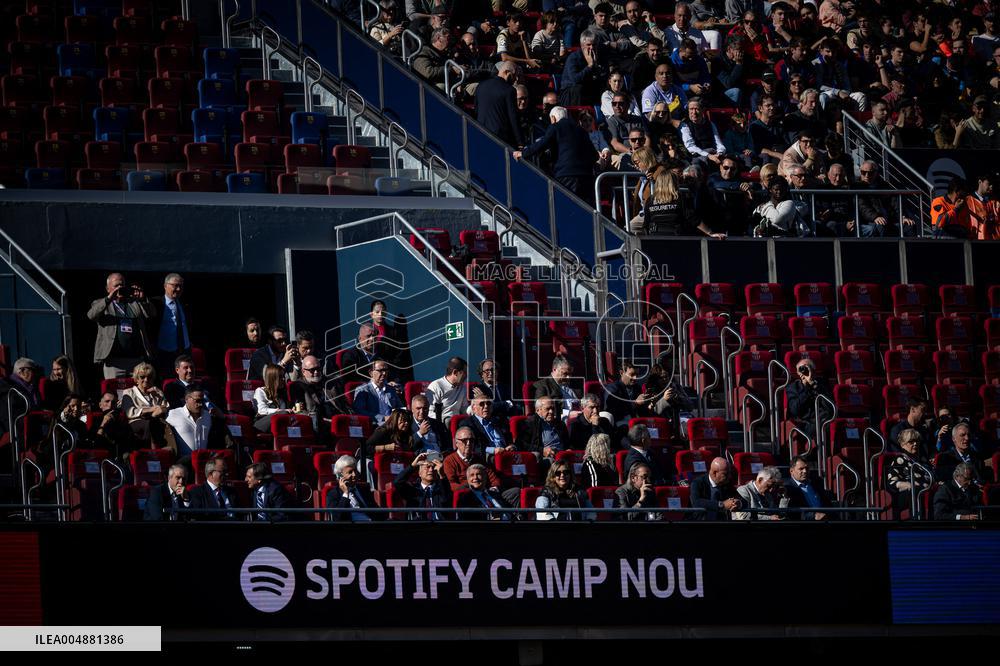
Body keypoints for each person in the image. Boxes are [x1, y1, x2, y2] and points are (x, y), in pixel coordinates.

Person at [513, 106, 599, 204]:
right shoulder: (581, 130)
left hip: (566, 175)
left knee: (566, 205)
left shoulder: (555, 127)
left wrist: (524, 153)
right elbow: (594, 155)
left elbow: (543, 143)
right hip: (586, 176)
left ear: (553, 118)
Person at [87, 272, 155, 379]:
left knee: (137, 392)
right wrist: (109, 298)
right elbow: (91, 315)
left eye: (122, 285)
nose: (120, 288)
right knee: (114, 392)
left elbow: (151, 314)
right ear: (108, 288)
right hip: (114, 362)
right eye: (116, 286)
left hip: (136, 360)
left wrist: (142, 299)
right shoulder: (101, 303)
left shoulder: (134, 303)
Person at [166, 384, 230, 459]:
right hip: (183, 462)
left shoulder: (207, 416)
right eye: (197, 400)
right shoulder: (173, 414)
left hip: (203, 462)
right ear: (186, 399)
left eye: (202, 401)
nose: (200, 404)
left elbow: (222, 419)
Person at [289, 354, 339, 440]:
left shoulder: (330, 383)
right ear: (303, 371)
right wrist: (319, 419)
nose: (316, 372)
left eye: (318, 369)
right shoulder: (298, 386)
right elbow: (299, 411)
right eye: (312, 370)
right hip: (318, 423)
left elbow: (342, 404)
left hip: (336, 419)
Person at [476, 61, 525, 147]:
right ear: (506, 72)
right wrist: (520, 142)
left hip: (480, 133)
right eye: (514, 75)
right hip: (499, 139)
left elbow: (476, 109)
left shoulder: (481, 85)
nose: (516, 79)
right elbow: (513, 118)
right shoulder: (510, 90)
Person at [785, 356, 834, 443]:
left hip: (825, 420)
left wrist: (814, 385)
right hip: (807, 424)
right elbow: (794, 410)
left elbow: (831, 407)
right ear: (797, 373)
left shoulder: (822, 384)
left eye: (807, 368)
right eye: (801, 369)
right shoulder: (793, 388)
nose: (804, 372)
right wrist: (806, 388)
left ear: (813, 370)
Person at [392, 451, 453, 520]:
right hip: (419, 526)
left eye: (433, 467)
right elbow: (397, 482)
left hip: (439, 526)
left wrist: (442, 475)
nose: (431, 470)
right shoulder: (413, 490)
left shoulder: (441, 488)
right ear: (419, 473)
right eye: (427, 467)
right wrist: (413, 466)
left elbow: (446, 499)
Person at [120, 362, 168, 445]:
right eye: (142, 377)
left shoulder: (156, 393)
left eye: (149, 377)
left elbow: (166, 408)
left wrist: (161, 395)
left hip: (156, 421)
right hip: (136, 422)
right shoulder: (128, 392)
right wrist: (151, 409)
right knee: (152, 424)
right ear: (136, 379)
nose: (146, 380)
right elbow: (129, 412)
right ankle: (152, 451)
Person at [151, 273, 191, 374]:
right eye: (175, 286)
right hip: (165, 352)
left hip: (185, 351)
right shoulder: (156, 303)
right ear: (165, 286)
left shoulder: (185, 303)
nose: (178, 289)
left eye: (180, 286)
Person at [886, 427, 932, 513]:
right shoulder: (899, 460)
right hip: (907, 495)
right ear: (902, 444)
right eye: (911, 442)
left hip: (924, 492)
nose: (915, 444)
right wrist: (910, 485)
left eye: (917, 441)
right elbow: (892, 483)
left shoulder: (921, 460)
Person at [558, 29, 610, 106]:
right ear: (582, 45)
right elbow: (575, 79)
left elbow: (603, 77)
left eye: (594, 45)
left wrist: (595, 66)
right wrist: (589, 66)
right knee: (579, 88)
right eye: (588, 45)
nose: (592, 48)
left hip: (588, 89)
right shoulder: (574, 58)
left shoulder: (599, 57)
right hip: (570, 92)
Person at [325, 454, 382, 522]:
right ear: (340, 476)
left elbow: (377, 512)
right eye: (350, 472)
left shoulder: (363, 490)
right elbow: (337, 518)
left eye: (355, 470)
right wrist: (346, 494)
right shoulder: (333, 494)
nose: (354, 475)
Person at [514, 397, 570, 464]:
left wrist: (569, 450)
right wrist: (542, 450)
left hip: (562, 456)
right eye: (548, 409)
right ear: (538, 410)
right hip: (545, 458)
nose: (551, 412)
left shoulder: (560, 424)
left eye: (552, 408)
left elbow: (568, 444)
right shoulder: (529, 423)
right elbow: (521, 445)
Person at [352, 359, 404, 424]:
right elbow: (360, 411)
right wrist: (383, 418)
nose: (384, 373)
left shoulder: (391, 389)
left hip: (393, 424)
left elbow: (400, 407)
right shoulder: (363, 390)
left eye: (386, 370)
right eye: (380, 371)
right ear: (371, 373)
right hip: (374, 425)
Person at [784, 455, 834, 521]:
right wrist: (813, 516)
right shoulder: (787, 488)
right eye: (801, 469)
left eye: (807, 468)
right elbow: (792, 513)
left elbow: (827, 504)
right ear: (791, 471)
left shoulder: (816, 482)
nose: (805, 471)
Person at [187, 456, 238, 520]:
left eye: (227, 471)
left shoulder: (232, 492)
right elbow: (194, 517)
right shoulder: (197, 493)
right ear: (210, 474)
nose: (227, 474)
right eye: (223, 471)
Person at [679, 97, 725, 167]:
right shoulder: (685, 125)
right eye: (691, 109)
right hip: (697, 156)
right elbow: (690, 146)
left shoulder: (710, 124)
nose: (694, 112)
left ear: (703, 110)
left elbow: (718, 143)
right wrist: (708, 155)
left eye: (697, 109)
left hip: (713, 153)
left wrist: (720, 153)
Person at [604, 360, 651, 426]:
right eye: (632, 374)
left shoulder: (636, 388)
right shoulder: (613, 389)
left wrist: (648, 404)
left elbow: (641, 412)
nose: (635, 378)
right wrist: (635, 403)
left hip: (636, 423)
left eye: (637, 375)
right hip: (619, 425)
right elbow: (612, 412)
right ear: (621, 372)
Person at [425, 356, 469, 421]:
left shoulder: (462, 387)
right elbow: (430, 412)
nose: (466, 376)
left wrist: (475, 406)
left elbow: (464, 409)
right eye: (464, 373)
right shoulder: (436, 386)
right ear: (455, 372)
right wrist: (442, 422)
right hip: (442, 423)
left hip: (457, 422)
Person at [252, 363, 290, 432]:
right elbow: (261, 410)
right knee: (284, 413)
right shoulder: (260, 391)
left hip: (278, 423)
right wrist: (278, 411)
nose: (284, 379)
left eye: (283, 376)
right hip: (261, 424)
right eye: (280, 377)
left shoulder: (282, 394)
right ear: (273, 378)